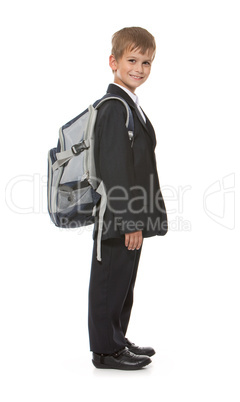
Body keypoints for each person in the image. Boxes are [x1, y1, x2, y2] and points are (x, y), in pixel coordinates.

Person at [88, 27, 168, 370]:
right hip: (118, 216)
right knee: (109, 282)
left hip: (127, 213)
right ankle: (105, 351)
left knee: (123, 280)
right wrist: (130, 222)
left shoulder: (129, 106)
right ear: (114, 62)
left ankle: (116, 340)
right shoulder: (114, 108)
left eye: (146, 61)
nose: (139, 68)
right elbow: (115, 170)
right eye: (132, 60)